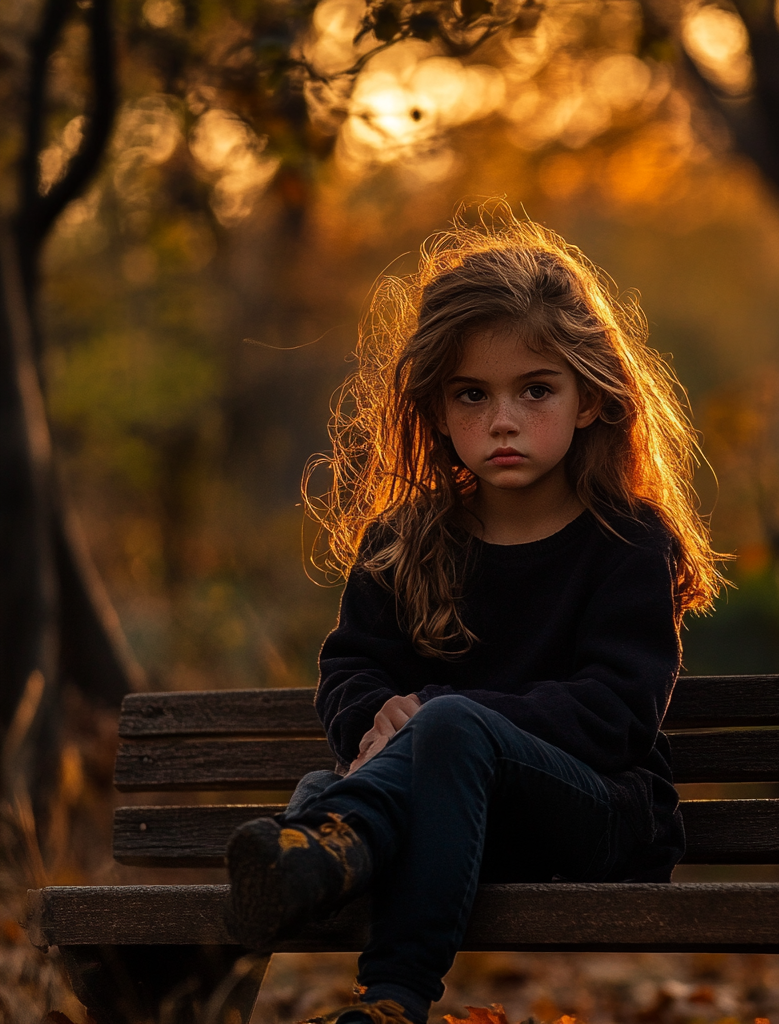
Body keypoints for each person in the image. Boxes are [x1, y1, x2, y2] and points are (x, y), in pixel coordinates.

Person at [224, 207, 722, 1024]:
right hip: (447, 822)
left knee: (432, 740)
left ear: (592, 398)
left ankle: (391, 997)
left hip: (592, 818)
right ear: (436, 408)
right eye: (472, 394)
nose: (501, 420)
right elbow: (352, 667)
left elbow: (617, 714)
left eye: (535, 390)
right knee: (333, 780)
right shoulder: (405, 539)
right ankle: (340, 842)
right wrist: (372, 720)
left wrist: (438, 720)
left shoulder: (628, 542)